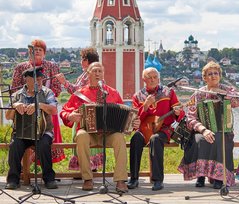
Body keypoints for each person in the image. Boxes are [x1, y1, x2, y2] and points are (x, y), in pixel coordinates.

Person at [60, 62, 139, 192]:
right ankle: (87, 178)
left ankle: (120, 180)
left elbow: (127, 115)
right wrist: (70, 116)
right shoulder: (79, 94)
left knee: (119, 137)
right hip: (89, 133)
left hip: (109, 134)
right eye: (94, 71)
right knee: (81, 136)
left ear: (103, 74)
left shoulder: (112, 93)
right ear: (88, 74)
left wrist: (134, 123)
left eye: (100, 71)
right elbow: (64, 111)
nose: (97, 74)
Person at [178, 61, 239, 189]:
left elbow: (237, 102)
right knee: (200, 140)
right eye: (209, 74)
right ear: (204, 77)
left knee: (219, 139)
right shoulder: (198, 93)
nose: (213, 76)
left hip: (224, 130)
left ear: (220, 75)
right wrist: (203, 130)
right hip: (202, 130)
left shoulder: (227, 90)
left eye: (216, 73)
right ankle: (201, 175)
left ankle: (219, 177)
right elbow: (190, 117)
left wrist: (220, 92)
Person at [127, 67, 181, 191]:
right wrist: (145, 105)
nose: (152, 80)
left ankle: (157, 180)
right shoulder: (138, 96)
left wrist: (178, 113)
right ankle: (134, 178)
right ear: (144, 79)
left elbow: (178, 112)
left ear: (159, 78)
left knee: (155, 139)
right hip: (144, 129)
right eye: (149, 77)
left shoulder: (169, 92)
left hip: (164, 128)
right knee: (135, 139)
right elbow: (134, 119)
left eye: (155, 77)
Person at [11, 39, 65, 163]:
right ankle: (25, 171)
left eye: (40, 50)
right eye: (34, 50)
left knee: (46, 137)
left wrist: (44, 99)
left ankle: (46, 168)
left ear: (44, 53)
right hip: (25, 109)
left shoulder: (52, 66)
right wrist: (25, 100)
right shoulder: (21, 67)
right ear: (30, 52)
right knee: (24, 137)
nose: (37, 52)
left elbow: (56, 88)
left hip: (46, 108)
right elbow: (15, 87)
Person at [5, 67, 58, 190]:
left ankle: (49, 179)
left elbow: (54, 110)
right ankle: (13, 179)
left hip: (43, 131)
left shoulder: (47, 92)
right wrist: (15, 105)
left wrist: (39, 105)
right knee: (14, 145)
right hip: (21, 133)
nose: (39, 82)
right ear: (27, 80)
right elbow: (8, 116)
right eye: (35, 80)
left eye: (40, 79)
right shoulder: (16, 95)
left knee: (44, 144)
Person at [55, 47, 102, 172]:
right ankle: (85, 168)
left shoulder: (90, 75)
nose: (81, 61)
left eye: (83, 59)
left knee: (84, 141)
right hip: (80, 113)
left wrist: (64, 82)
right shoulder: (85, 73)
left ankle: (87, 168)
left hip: (87, 114)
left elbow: (79, 93)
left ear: (87, 60)